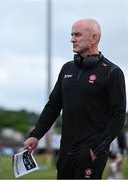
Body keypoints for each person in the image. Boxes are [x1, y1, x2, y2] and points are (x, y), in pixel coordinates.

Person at [23, 19, 126, 179]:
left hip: (90, 153)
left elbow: (118, 115)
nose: (72, 39)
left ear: (94, 38)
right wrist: (36, 134)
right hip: (65, 150)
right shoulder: (67, 68)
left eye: (77, 35)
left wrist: (95, 149)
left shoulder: (112, 72)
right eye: (72, 34)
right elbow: (53, 106)